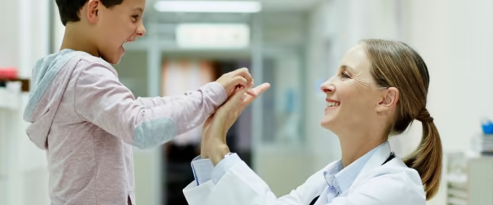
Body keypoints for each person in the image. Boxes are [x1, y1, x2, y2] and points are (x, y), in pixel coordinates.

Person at [23, 0, 254, 204]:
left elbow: (140, 109)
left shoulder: (66, 74)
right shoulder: (85, 72)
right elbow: (140, 126)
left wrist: (210, 94)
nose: (141, 29)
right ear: (94, 10)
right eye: (134, 17)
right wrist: (211, 95)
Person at [185, 39, 442, 205]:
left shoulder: (395, 189)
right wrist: (210, 146)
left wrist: (220, 147)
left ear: (386, 100)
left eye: (345, 75)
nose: (326, 85)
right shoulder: (329, 179)